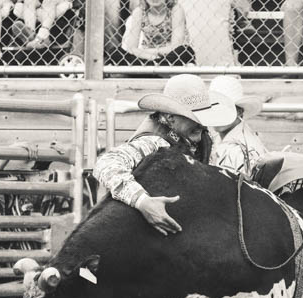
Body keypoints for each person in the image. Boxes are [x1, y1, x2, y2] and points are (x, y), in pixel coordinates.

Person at [92, 74, 237, 235]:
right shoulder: (155, 142)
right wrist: (143, 202)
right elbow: (106, 163)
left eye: (203, 117)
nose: (202, 124)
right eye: (194, 118)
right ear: (170, 117)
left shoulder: (200, 140)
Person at [117, 0, 196, 66]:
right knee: (116, 53)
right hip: (148, 57)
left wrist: (147, 53)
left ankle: (151, 68)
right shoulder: (139, 12)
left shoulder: (175, 10)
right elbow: (131, 48)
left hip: (170, 56)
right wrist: (150, 57)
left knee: (185, 51)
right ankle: (157, 68)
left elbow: (176, 46)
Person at [208, 75, 267, 176]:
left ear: (239, 111)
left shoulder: (241, 150)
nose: (217, 115)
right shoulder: (219, 138)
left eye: (224, 109)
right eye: (212, 108)